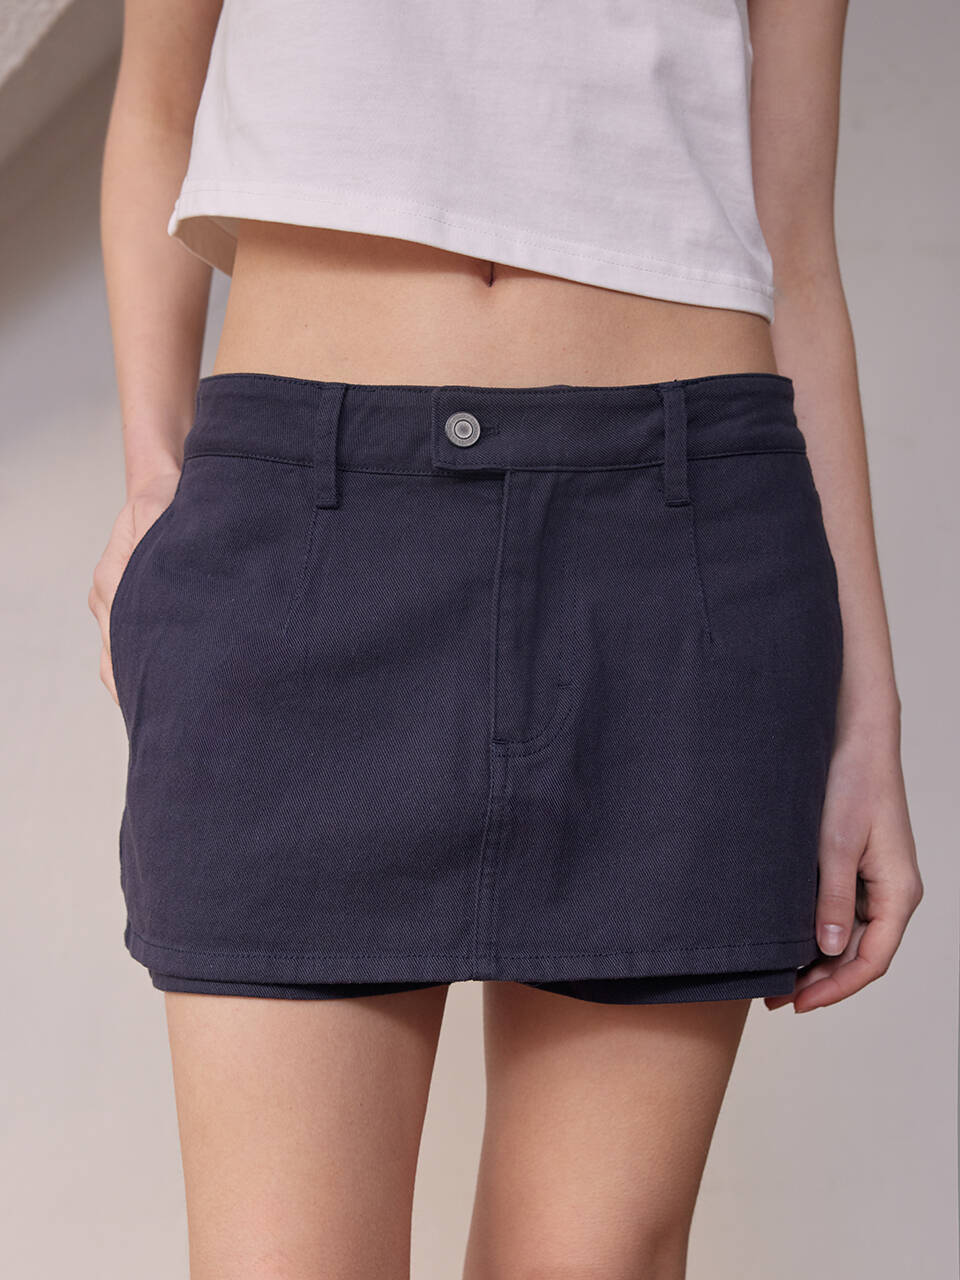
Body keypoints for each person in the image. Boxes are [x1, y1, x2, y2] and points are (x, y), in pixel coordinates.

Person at [88, 1, 923, 1276]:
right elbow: (158, 105)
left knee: (594, 1258)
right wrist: (155, 476)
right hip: (303, 525)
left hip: (677, 538)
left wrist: (868, 717)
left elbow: (794, 235)